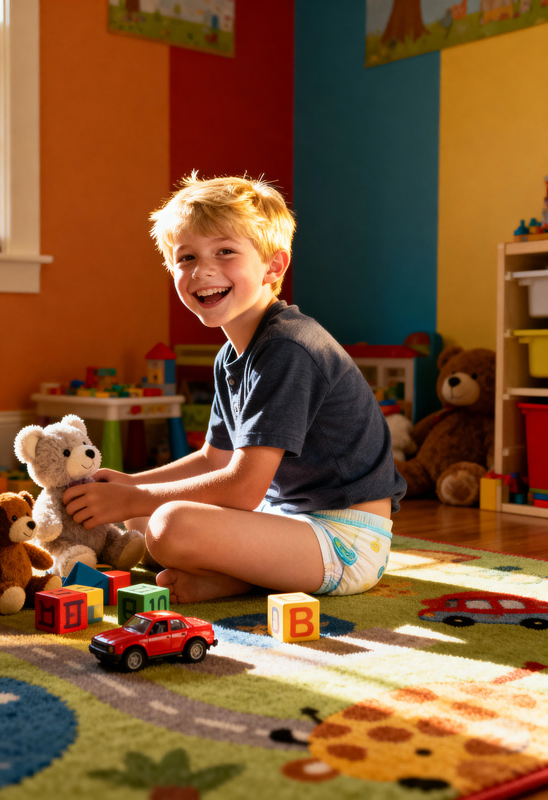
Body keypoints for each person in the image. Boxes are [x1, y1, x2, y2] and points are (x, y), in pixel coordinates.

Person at [64, 174, 406, 604]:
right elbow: (214, 459)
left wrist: (131, 498)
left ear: (273, 266)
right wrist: (132, 484)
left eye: (225, 252)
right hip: (284, 519)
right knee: (139, 523)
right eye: (185, 257)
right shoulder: (231, 355)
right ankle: (240, 579)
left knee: (166, 525)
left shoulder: (289, 347)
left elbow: (243, 489)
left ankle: (244, 578)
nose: (202, 270)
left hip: (343, 540)